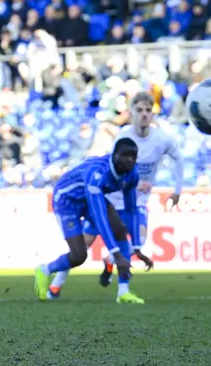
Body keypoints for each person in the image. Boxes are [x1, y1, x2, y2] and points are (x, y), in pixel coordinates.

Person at [48, 92, 182, 304]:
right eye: (139, 110)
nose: (144, 114)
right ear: (132, 113)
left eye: (148, 110)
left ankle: (121, 286)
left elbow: (178, 158)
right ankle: (55, 284)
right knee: (81, 249)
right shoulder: (122, 137)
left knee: (137, 240)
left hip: (136, 202)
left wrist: (177, 189)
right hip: (111, 201)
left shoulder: (162, 138)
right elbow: (113, 172)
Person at [34, 138, 153, 301]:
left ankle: (123, 292)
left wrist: (137, 246)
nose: (130, 160)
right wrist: (116, 255)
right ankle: (45, 270)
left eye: (134, 156)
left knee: (119, 228)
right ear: (115, 155)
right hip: (67, 201)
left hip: (89, 198)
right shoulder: (98, 174)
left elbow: (131, 209)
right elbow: (100, 218)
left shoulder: (132, 174)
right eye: (125, 156)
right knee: (78, 256)